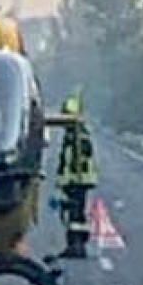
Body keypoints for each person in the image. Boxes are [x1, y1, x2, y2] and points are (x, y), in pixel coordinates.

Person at [55, 94, 97, 258]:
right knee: (76, 214)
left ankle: (76, 246)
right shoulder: (78, 134)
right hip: (78, 180)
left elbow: (73, 160)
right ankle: (76, 244)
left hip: (76, 181)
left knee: (74, 214)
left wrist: (67, 179)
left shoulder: (76, 137)